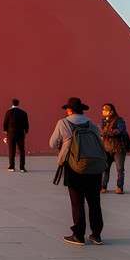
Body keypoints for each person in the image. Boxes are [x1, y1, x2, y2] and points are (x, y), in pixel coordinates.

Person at [49, 96, 104, 246]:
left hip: (74, 166)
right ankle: (96, 235)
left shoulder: (64, 122)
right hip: (94, 167)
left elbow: (52, 143)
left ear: (70, 110)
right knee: (94, 202)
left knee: (77, 201)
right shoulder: (91, 124)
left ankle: (78, 235)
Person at [100, 102, 129, 194]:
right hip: (106, 149)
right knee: (105, 168)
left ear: (111, 112)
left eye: (105, 109)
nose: (103, 111)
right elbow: (101, 131)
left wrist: (107, 133)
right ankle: (103, 186)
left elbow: (120, 130)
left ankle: (119, 187)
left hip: (118, 149)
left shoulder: (119, 120)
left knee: (120, 169)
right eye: (103, 109)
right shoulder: (104, 121)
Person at [2, 98, 29, 172]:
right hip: (20, 133)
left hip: (11, 133)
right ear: (18, 103)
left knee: (11, 150)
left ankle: (11, 166)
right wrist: (26, 131)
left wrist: (5, 131)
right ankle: (22, 167)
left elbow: (5, 123)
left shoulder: (9, 112)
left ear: (12, 103)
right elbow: (26, 124)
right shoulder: (23, 113)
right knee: (21, 150)